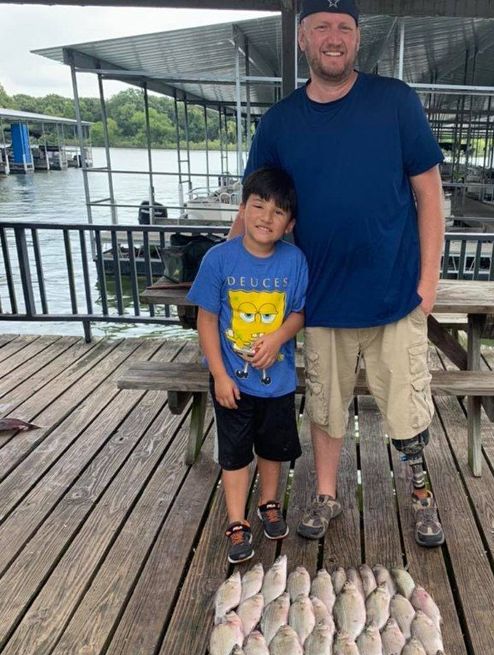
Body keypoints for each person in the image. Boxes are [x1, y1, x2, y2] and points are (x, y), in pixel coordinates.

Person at [228, 0, 445, 548]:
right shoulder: (279, 122)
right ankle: (326, 495)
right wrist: (223, 277)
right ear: (302, 40)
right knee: (325, 407)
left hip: (395, 295)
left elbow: (429, 194)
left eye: (344, 28)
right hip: (318, 301)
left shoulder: (396, 102)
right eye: (321, 27)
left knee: (407, 406)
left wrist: (428, 282)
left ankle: (421, 497)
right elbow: (254, 208)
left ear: (357, 39)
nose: (333, 37)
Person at [188, 167, 307, 564]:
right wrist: (219, 374)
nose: (266, 218)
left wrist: (277, 338)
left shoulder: (294, 261)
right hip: (232, 383)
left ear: (289, 223)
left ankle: (269, 502)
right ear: (242, 209)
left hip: (279, 383)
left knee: (273, 450)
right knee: (235, 454)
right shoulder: (219, 259)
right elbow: (206, 319)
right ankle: (236, 520)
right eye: (258, 206)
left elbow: (300, 313)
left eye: (278, 212)